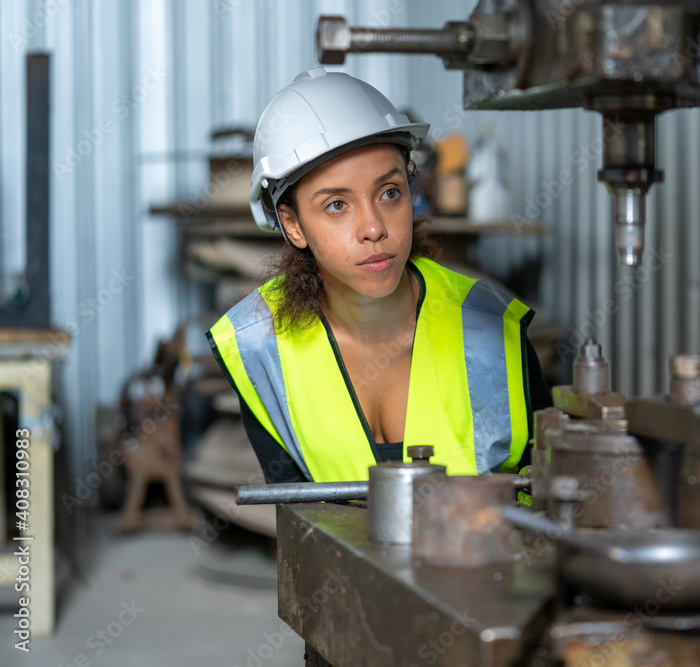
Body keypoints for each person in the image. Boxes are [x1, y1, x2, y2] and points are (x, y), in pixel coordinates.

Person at [206, 68, 552, 484]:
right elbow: (297, 514)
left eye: (389, 193)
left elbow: (546, 499)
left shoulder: (492, 327)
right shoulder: (259, 346)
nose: (374, 228)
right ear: (292, 224)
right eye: (336, 204)